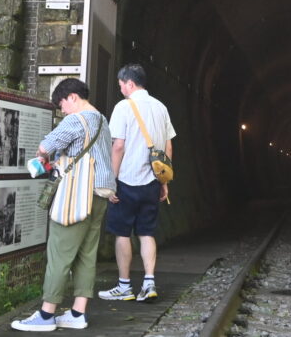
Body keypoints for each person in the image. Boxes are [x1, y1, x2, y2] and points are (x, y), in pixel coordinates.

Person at [12, 78, 114, 332]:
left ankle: (46, 316)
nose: (62, 110)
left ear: (72, 97)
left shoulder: (76, 120)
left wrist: (44, 158)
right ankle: (78, 313)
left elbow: (45, 146)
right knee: (86, 254)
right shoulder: (102, 120)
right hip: (101, 193)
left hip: (77, 194)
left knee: (59, 253)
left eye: (62, 104)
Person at [99, 63, 175, 304]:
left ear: (129, 83)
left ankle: (124, 286)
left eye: (121, 85)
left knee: (122, 233)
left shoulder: (123, 107)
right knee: (146, 233)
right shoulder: (161, 107)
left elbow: (118, 146)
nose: (120, 89)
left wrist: (111, 181)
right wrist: (164, 181)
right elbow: (168, 147)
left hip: (126, 182)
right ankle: (149, 282)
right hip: (152, 182)